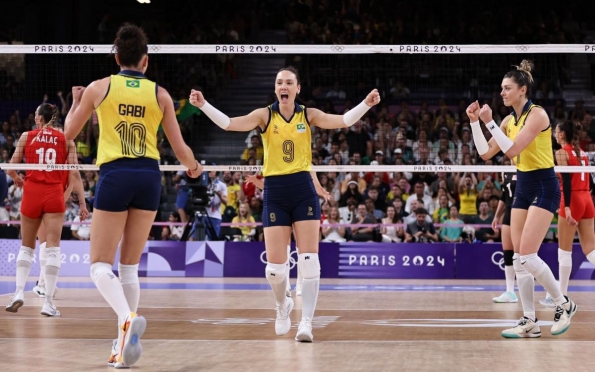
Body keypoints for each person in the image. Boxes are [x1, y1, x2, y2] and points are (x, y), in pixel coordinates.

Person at [189, 66, 380, 341]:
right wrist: (203, 104)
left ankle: (306, 324)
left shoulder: (308, 114)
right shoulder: (264, 115)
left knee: (310, 263)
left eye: (289, 82)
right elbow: (229, 124)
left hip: (303, 189)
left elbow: (344, 121)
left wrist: (366, 103)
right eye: (280, 82)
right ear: (276, 88)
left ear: (297, 88)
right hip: (276, 191)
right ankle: (282, 305)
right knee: (275, 270)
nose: (284, 86)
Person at [64, 24, 202, 368]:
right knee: (129, 267)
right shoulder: (161, 95)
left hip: (116, 174)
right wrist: (195, 168)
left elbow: (67, 134)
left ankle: (126, 318)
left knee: (98, 265)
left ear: (116, 58)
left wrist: (77, 101)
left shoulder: (100, 88)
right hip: (149, 178)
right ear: (145, 61)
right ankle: (123, 343)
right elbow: (181, 150)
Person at [468, 59, 577, 338]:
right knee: (518, 258)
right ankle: (530, 320)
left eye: (507, 88)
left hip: (544, 184)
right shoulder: (507, 120)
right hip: (523, 185)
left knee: (528, 255)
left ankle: (564, 303)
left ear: (522, 90)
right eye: (502, 89)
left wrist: (489, 121)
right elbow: (485, 153)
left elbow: (512, 150)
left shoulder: (538, 116)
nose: (502, 93)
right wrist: (474, 124)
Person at [5, 103, 88, 317]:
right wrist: (82, 203)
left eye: (35, 115)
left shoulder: (26, 136)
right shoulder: (66, 140)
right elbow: (75, 174)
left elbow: (10, 167)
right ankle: (48, 303)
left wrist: (17, 179)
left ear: (41, 119)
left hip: (32, 192)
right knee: (52, 249)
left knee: (26, 247)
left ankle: (18, 293)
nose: (34, 118)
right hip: (53, 195)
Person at [539, 121, 595, 306]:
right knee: (590, 249)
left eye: (556, 131)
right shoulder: (583, 154)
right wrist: (584, 198)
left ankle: (561, 297)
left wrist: (569, 207)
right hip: (587, 198)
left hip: (572, 200)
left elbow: (567, 182)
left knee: (564, 252)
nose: (555, 134)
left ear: (562, 134)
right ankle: (560, 295)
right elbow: (591, 183)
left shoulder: (561, 152)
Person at [491, 171, 520, 303]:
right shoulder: (505, 171)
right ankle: (510, 292)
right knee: (508, 252)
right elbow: (504, 195)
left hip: (521, 211)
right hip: (508, 212)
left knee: (524, 255)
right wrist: (497, 215)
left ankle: (550, 288)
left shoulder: (526, 167)